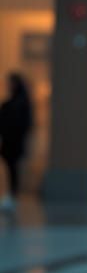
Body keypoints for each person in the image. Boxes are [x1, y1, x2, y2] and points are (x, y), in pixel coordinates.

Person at [0, 72, 34, 213]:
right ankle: (11, 195)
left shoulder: (22, 103)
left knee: (14, 169)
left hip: (15, 142)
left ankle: (13, 195)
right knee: (10, 168)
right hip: (8, 141)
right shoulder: (11, 102)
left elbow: (26, 124)